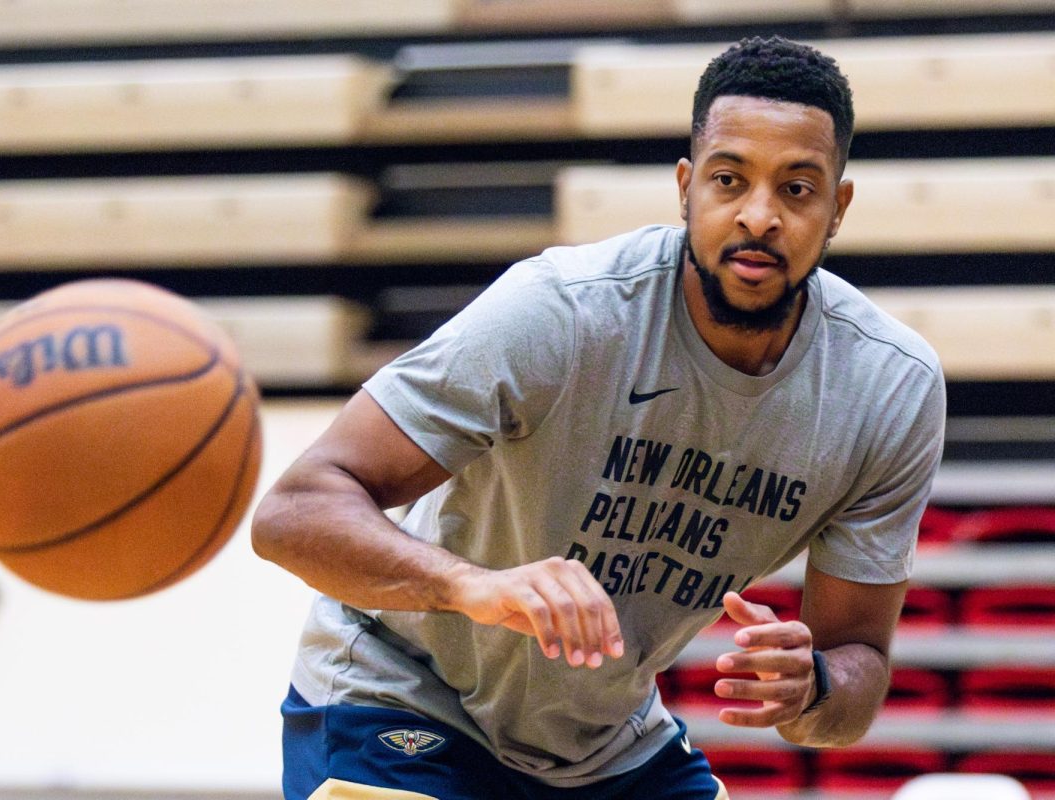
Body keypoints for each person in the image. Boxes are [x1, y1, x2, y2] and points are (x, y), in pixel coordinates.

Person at [250, 34, 946, 800]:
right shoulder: (566, 311)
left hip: (604, 743)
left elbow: (859, 668)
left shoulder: (887, 390)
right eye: (728, 179)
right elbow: (293, 511)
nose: (759, 216)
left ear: (838, 207)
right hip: (399, 692)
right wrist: (468, 585)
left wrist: (812, 687)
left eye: (797, 189)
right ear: (686, 189)